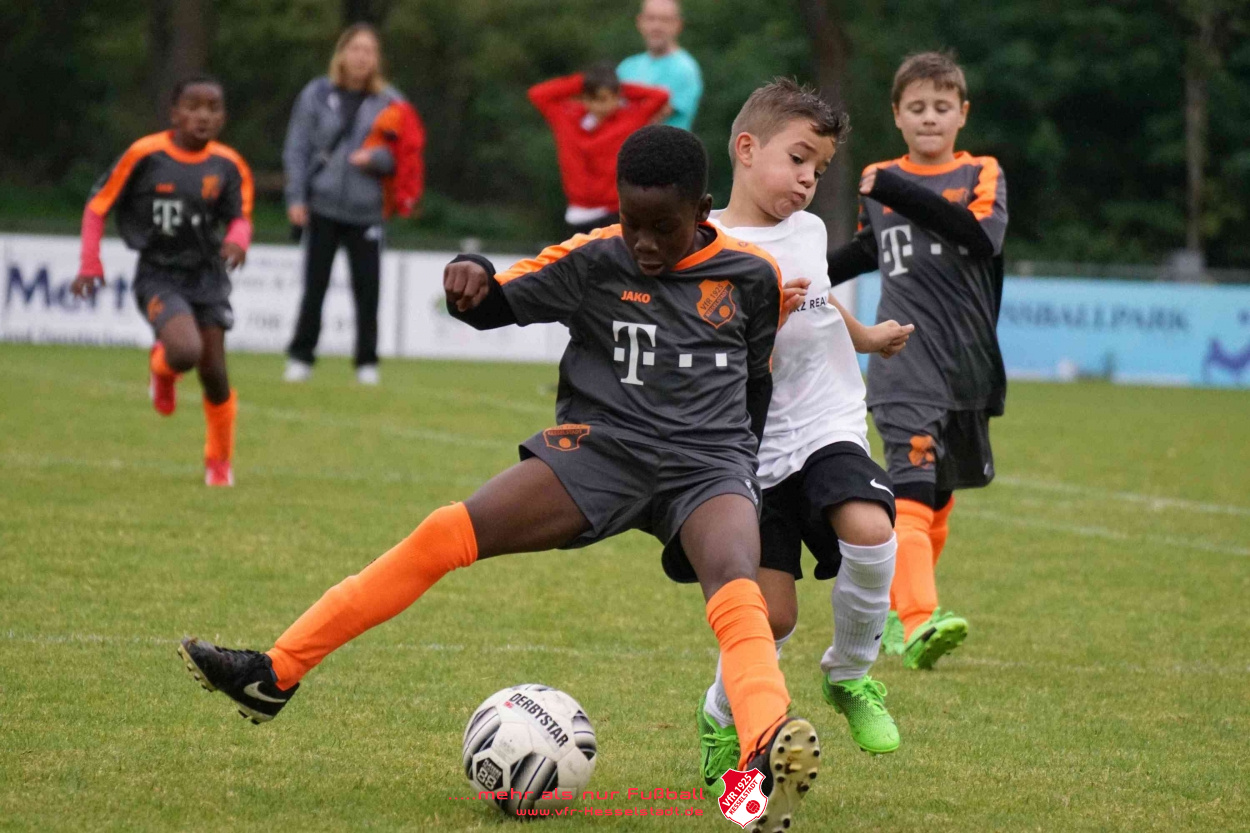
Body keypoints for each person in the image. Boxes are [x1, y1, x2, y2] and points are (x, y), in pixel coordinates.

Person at [179, 126, 822, 833]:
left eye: (661, 228)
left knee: (737, 587)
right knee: (444, 532)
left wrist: (740, 477)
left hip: (708, 463)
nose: (642, 242)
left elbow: (755, 385)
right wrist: (469, 272)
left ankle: (761, 762)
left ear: (701, 211)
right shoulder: (593, 258)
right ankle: (274, 673)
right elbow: (491, 302)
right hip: (603, 453)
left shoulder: (752, 275)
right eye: (630, 222)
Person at [660, 81, 912, 790]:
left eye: (819, 169)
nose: (808, 180)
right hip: (748, 450)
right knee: (769, 619)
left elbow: (821, 300)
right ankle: (721, 717)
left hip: (827, 419)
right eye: (798, 159)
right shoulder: (707, 250)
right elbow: (711, 363)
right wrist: (762, 326)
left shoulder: (806, 231)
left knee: (871, 528)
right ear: (746, 149)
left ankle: (851, 674)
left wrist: (866, 337)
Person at [826, 51, 1009, 670]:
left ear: (962, 114)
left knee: (939, 497)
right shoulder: (879, 178)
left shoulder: (981, 173)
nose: (929, 117)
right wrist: (800, 270)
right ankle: (919, 619)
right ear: (897, 115)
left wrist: (896, 188)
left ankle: (891, 615)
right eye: (917, 107)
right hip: (902, 355)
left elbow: (980, 237)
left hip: (967, 364)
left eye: (941, 107)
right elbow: (868, 250)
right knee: (910, 485)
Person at [71, 75, 253, 488]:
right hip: (159, 273)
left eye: (213, 108)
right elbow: (97, 206)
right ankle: (164, 369)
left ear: (223, 117)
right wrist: (89, 264)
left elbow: (240, 217)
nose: (203, 116)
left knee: (214, 373)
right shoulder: (145, 154)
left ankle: (219, 462)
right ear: (174, 113)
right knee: (185, 351)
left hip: (208, 276)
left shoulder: (228, 164)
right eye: (193, 106)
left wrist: (237, 240)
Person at [282, 23, 425, 386]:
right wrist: (296, 196)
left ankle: (366, 363)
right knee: (314, 287)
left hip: (367, 210)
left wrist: (376, 159)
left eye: (369, 51)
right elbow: (297, 147)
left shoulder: (392, 102)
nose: (362, 57)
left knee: (368, 290)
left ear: (378, 59)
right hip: (323, 205)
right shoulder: (317, 93)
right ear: (342, 53)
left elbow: (406, 156)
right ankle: (301, 358)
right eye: (356, 49)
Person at [528, 63, 669, 236]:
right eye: (594, 98)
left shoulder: (629, 119)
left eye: (607, 98)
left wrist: (614, 85)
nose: (601, 105)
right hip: (578, 211)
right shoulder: (567, 118)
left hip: (614, 210)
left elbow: (660, 96)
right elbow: (538, 94)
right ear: (584, 98)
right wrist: (586, 82)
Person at [617, 0, 704, 131]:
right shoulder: (626, 67)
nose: (657, 26)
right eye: (651, 18)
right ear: (640, 22)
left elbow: (650, 119)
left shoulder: (685, 69)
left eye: (665, 20)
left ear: (678, 24)